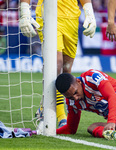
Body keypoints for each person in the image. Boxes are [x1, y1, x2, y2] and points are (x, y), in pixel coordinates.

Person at [19, 0, 96, 128]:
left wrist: (89, 13)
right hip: (48, 14)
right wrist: (24, 11)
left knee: (66, 71)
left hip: (71, 17)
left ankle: (45, 105)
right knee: (56, 65)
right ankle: (60, 116)